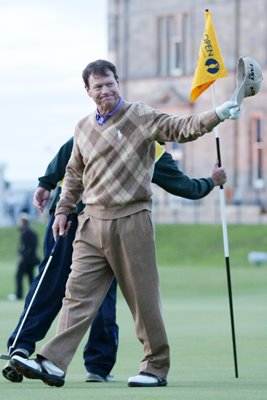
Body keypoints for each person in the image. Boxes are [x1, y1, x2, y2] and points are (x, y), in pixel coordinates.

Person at [11, 59, 240, 388]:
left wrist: (216, 115)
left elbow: (181, 127)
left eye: (110, 83)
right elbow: (73, 174)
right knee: (77, 296)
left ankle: (155, 368)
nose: (105, 90)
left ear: (119, 83)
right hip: (90, 223)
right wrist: (62, 210)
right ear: (88, 92)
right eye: (98, 86)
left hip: (132, 219)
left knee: (142, 298)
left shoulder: (141, 115)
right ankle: (53, 362)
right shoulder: (83, 128)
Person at [3, 136, 226, 384]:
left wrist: (46, 183)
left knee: (55, 282)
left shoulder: (100, 127)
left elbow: (66, 152)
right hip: (83, 218)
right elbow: (186, 187)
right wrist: (212, 181)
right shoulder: (149, 145)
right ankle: (96, 365)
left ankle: (22, 347)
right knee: (97, 292)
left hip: (82, 217)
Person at [12, 213, 40, 300]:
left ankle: (19, 295)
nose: (19, 223)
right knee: (31, 278)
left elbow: (27, 247)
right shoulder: (31, 232)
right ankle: (34, 295)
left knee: (18, 276)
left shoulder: (26, 233)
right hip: (31, 260)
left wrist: (22, 255)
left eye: (20, 221)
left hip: (26, 260)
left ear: (24, 222)